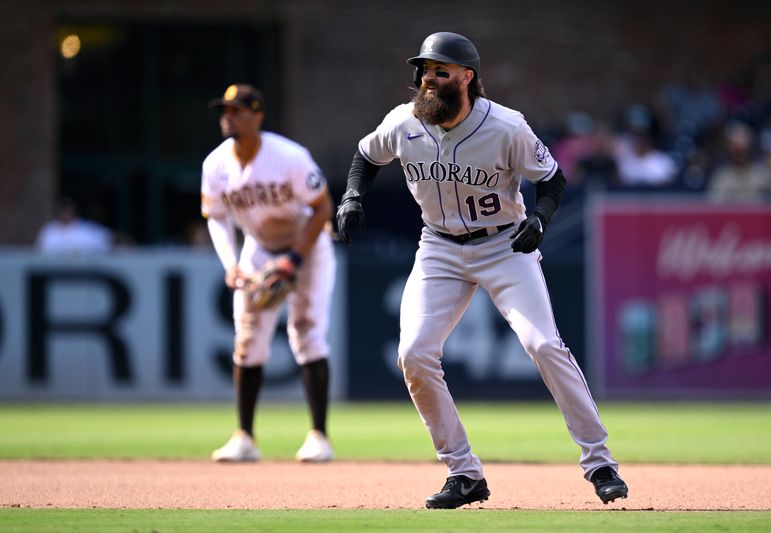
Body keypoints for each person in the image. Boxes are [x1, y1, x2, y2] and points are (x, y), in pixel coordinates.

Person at [336, 32, 627, 509]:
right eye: (425, 70)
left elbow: (551, 178)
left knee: (543, 344)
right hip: (439, 247)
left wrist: (540, 218)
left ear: (467, 77)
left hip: (503, 244)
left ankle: (599, 462)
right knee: (413, 354)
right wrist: (351, 195)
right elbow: (366, 158)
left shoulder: (506, 126)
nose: (428, 79)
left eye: (440, 70)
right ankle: (463, 473)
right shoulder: (403, 122)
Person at [201, 84, 336, 463]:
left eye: (238, 110)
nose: (229, 116)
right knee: (247, 339)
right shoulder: (215, 164)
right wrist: (231, 264)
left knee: (307, 332)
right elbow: (216, 219)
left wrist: (293, 259)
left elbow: (323, 209)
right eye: (225, 110)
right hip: (258, 247)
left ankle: (319, 437)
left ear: (257, 115)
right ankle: (244, 437)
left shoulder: (288, 156)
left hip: (307, 245)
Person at [35, 197, 113, 254]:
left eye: (68, 210)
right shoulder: (49, 230)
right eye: (63, 210)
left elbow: (106, 239)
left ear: (73, 211)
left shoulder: (86, 229)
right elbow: (40, 250)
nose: (66, 214)